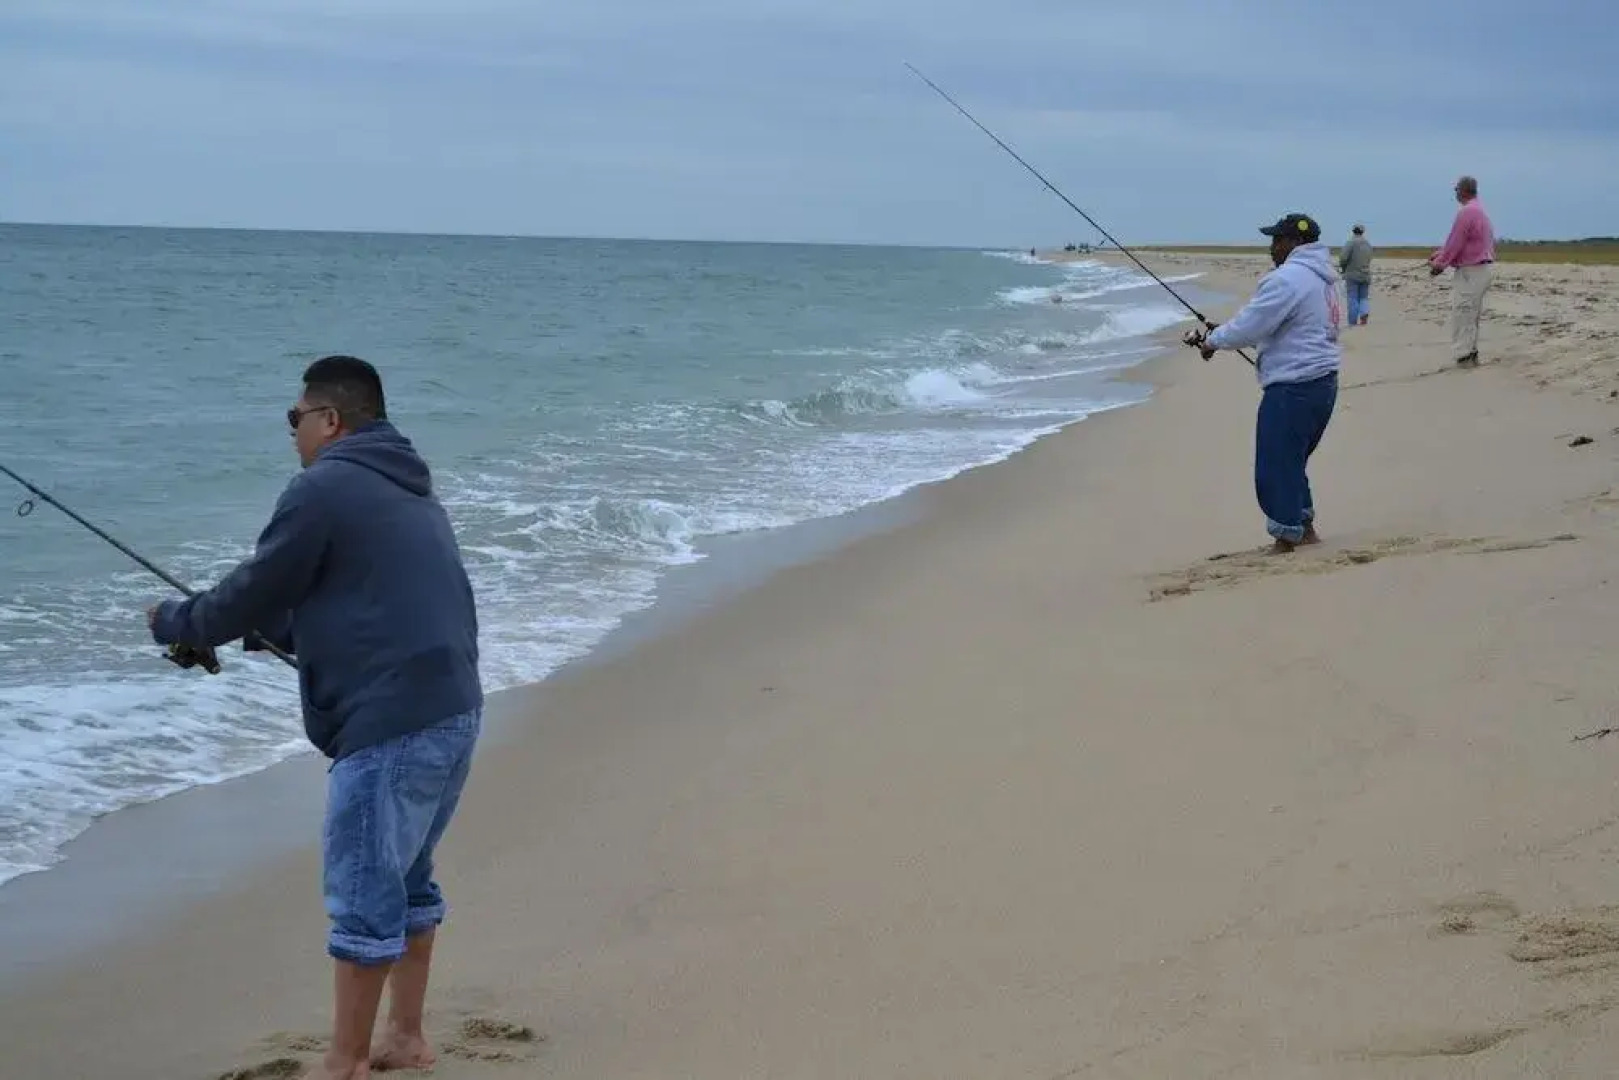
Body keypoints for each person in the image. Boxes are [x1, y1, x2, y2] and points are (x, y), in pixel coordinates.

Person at [148, 355, 483, 1080]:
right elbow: (355, 605)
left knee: (363, 896)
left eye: (294, 418)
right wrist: (239, 630)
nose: (292, 432)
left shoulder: (325, 486)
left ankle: (345, 1063)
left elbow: (255, 587)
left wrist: (179, 621)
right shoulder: (407, 485)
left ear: (330, 419)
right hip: (452, 709)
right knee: (407, 881)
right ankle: (405, 1038)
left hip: (393, 725)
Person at [1184, 213, 1343, 553]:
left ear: (1295, 243)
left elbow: (1251, 326)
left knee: (1274, 465)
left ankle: (1286, 537)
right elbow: (1288, 329)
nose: (1272, 248)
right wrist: (1222, 335)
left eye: (1277, 240)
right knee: (1291, 461)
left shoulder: (1287, 279)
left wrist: (1212, 341)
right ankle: (1305, 527)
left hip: (1294, 388)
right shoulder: (1324, 279)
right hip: (1324, 384)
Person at [1428, 174, 1496, 366]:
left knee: (1463, 312)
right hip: (1481, 269)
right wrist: (1440, 254)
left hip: (1472, 270)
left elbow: (1455, 242)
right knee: (1471, 313)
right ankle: (1471, 353)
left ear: (1463, 190)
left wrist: (1439, 265)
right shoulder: (1479, 210)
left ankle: (1464, 355)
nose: (1455, 193)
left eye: (1456, 189)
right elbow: (1464, 242)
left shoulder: (1467, 212)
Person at [1339, 224, 1374, 326]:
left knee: (1352, 298)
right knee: (1364, 297)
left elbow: (1343, 258)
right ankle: (1364, 313)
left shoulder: (1350, 242)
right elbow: (1369, 258)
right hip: (1365, 274)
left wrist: (1343, 268)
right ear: (1362, 232)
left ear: (1353, 231)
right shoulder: (1368, 244)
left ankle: (1353, 322)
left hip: (1352, 274)